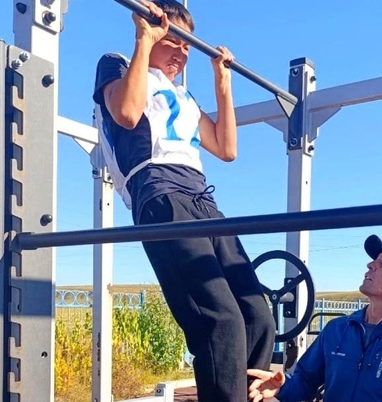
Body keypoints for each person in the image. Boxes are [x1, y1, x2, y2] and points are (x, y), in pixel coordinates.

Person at [91, 1, 276, 401]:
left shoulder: (184, 96)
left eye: (187, 46)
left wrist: (222, 82)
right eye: (173, 40)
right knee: (220, 319)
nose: (181, 52)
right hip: (160, 192)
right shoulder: (118, 65)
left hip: (202, 199)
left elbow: (226, 149)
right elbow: (126, 113)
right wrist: (144, 38)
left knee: (257, 315)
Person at [247, 234, 382, 402]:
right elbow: (305, 382)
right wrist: (282, 386)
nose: (370, 265)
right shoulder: (337, 329)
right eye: (374, 260)